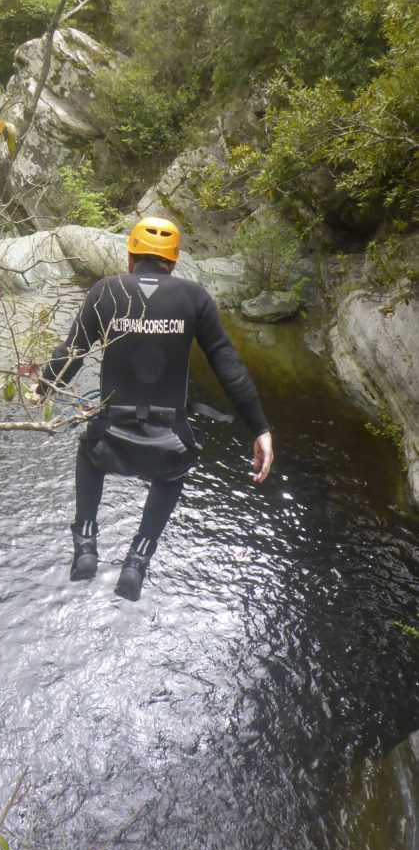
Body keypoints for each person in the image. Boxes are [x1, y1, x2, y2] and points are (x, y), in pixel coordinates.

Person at [35, 216, 273, 601]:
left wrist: (43, 388)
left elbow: (72, 353)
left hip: (110, 437)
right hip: (167, 442)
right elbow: (228, 365)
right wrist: (260, 428)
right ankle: (138, 560)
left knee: (87, 452)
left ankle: (85, 544)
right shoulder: (195, 298)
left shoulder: (105, 292)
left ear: (131, 257)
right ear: (173, 262)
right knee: (178, 465)